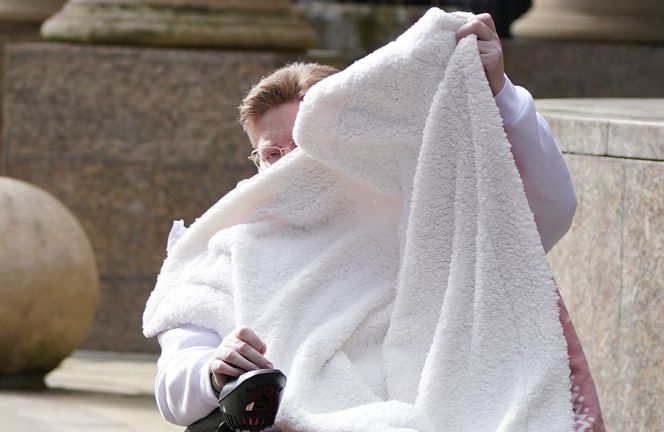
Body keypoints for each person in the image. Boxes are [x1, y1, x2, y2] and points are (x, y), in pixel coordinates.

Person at [152, 13, 578, 427]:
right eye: (273, 154)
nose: (289, 165)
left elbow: (549, 209)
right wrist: (212, 372)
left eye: (305, 145)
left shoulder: (422, 219)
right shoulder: (227, 247)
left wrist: (498, 92)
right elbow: (175, 383)